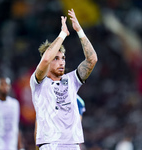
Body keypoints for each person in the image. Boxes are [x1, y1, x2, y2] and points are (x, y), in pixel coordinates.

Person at [30, 8, 97, 150]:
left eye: (63, 58)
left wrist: (79, 31)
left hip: (72, 144)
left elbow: (92, 60)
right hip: (50, 144)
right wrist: (63, 34)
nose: (62, 62)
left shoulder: (72, 79)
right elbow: (46, 58)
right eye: (57, 58)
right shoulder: (38, 82)